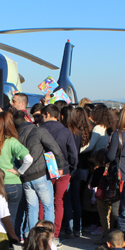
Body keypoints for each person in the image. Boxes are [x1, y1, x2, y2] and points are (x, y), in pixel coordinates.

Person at [12, 109, 64, 240]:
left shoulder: (15, 136)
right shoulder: (39, 131)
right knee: (48, 207)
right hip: (40, 174)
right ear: (26, 117)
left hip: (25, 177)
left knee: (32, 209)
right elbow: (55, 149)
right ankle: (48, 238)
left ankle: (30, 237)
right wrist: (60, 166)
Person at [0, 111, 33, 222]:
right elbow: (29, 159)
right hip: (12, 183)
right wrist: (19, 171)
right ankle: (11, 239)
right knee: (12, 219)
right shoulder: (12, 141)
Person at [40, 104, 78, 242]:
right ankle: (55, 234)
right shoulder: (66, 131)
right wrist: (72, 169)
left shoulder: (40, 129)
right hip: (64, 170)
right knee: (59, 202)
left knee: (42, 202)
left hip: (45, 169)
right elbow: (73, 154)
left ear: (48, 114)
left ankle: (41, 231)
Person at [65, 107, 93, 237]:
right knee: (76, 199)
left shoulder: (66, 132)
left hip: (69, 167)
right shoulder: (77, 133)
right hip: (77, 166)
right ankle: (78, 227)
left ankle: (69, 229)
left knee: (67, 199)